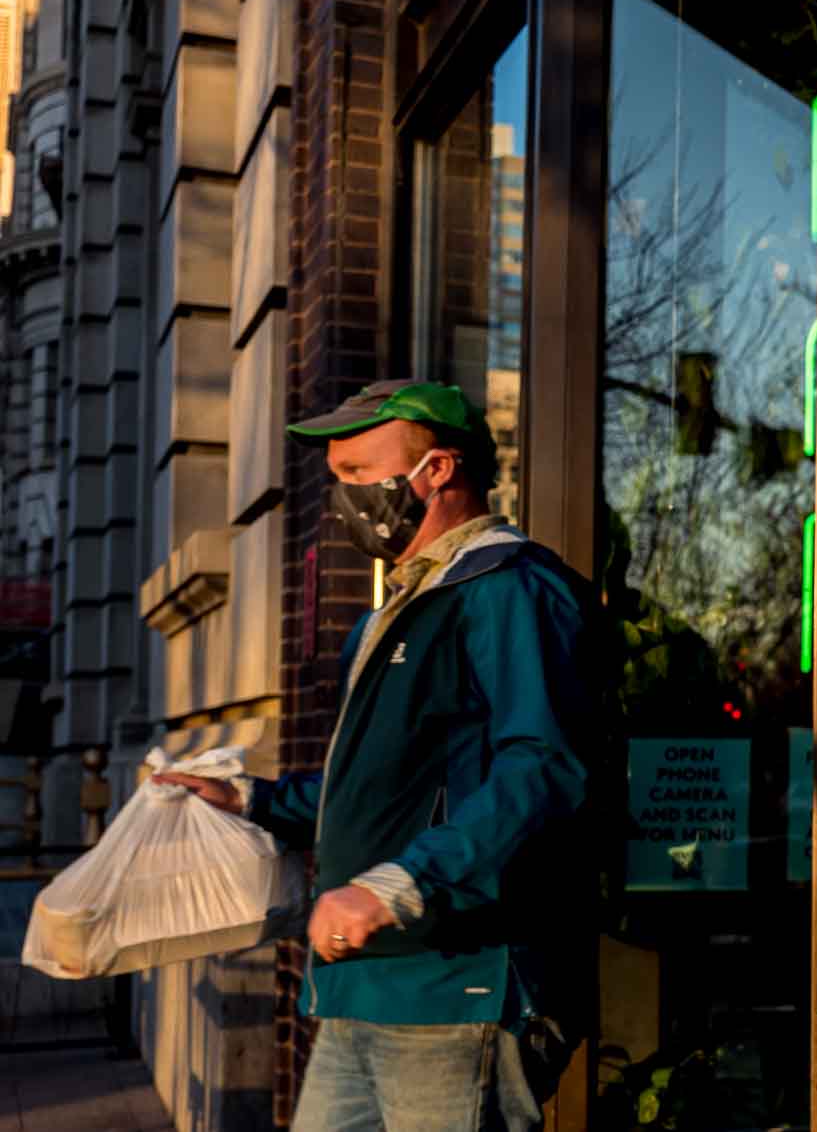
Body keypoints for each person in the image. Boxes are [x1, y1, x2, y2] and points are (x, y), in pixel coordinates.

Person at [156, 379, 602, 1132]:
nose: (343, 499)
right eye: (336, 480)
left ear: (438, 470)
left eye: (359, 475)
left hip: (458, 986)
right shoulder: (385, 617)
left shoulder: (508, 587)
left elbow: (543, 768)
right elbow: (388, 786)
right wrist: (254, 800)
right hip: (361, 985)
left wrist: (395, 886)